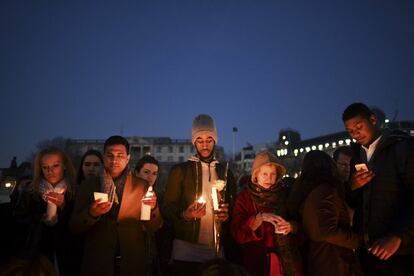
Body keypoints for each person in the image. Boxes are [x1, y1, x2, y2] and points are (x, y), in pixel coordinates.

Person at [69, 135, 163, 276]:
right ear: (103, 157)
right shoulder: (88, 185)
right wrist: (91, 213)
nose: (114, 160)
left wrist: (153, 208)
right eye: (110, 155)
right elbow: (74, 226)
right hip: (98, 263)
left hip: (132, 263)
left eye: (120, 155)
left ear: (128, 157)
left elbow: (154, 226)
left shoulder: (141, 185)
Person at [342, 102, 414, 276]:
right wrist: (352, 187)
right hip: (368, 251)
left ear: (373, 120)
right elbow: (354, 203)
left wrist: (399, 236)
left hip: (399, 252)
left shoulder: (402, 148)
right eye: (350, 131)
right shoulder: (356, 157)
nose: (355, 134)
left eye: (359, 127)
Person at [163, 114, 237, 275]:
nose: (205, 145)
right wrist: (185, 214)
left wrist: (227, 215)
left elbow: (234, 209)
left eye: (209, 139)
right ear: (194, 142)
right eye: (200, 140)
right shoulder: (180, 171)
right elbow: (167, 209)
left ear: (215, 140)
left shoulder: (225, 173)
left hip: (216, 249)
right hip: (185, 249)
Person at [288, 150, 362, 276]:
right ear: (330, 166)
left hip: (318, 259)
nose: (347, 169)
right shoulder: (324, 190)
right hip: (331, 260)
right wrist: (358, 240)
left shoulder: (304, 190)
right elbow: (325, 231)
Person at [231, 151, 302, 276]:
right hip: (257, 265)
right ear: (256, 175)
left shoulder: (285, 195)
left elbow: (303, 225)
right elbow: (237, 233)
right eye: (264, 174)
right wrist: (258, 219)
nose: (269, 178)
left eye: (273, 174)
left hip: (287, 265)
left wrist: (291, 227)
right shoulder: (244, 199)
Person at [13, 148, 77, 276]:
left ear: (64, 166)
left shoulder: (74, 191)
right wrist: (39, 220)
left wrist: (63, 207)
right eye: (45, 167)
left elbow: (77, 222)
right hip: (36, 252)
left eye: (55, 166)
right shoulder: (30, 191)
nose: (50, 171)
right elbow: (17, 219)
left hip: (66, 253)